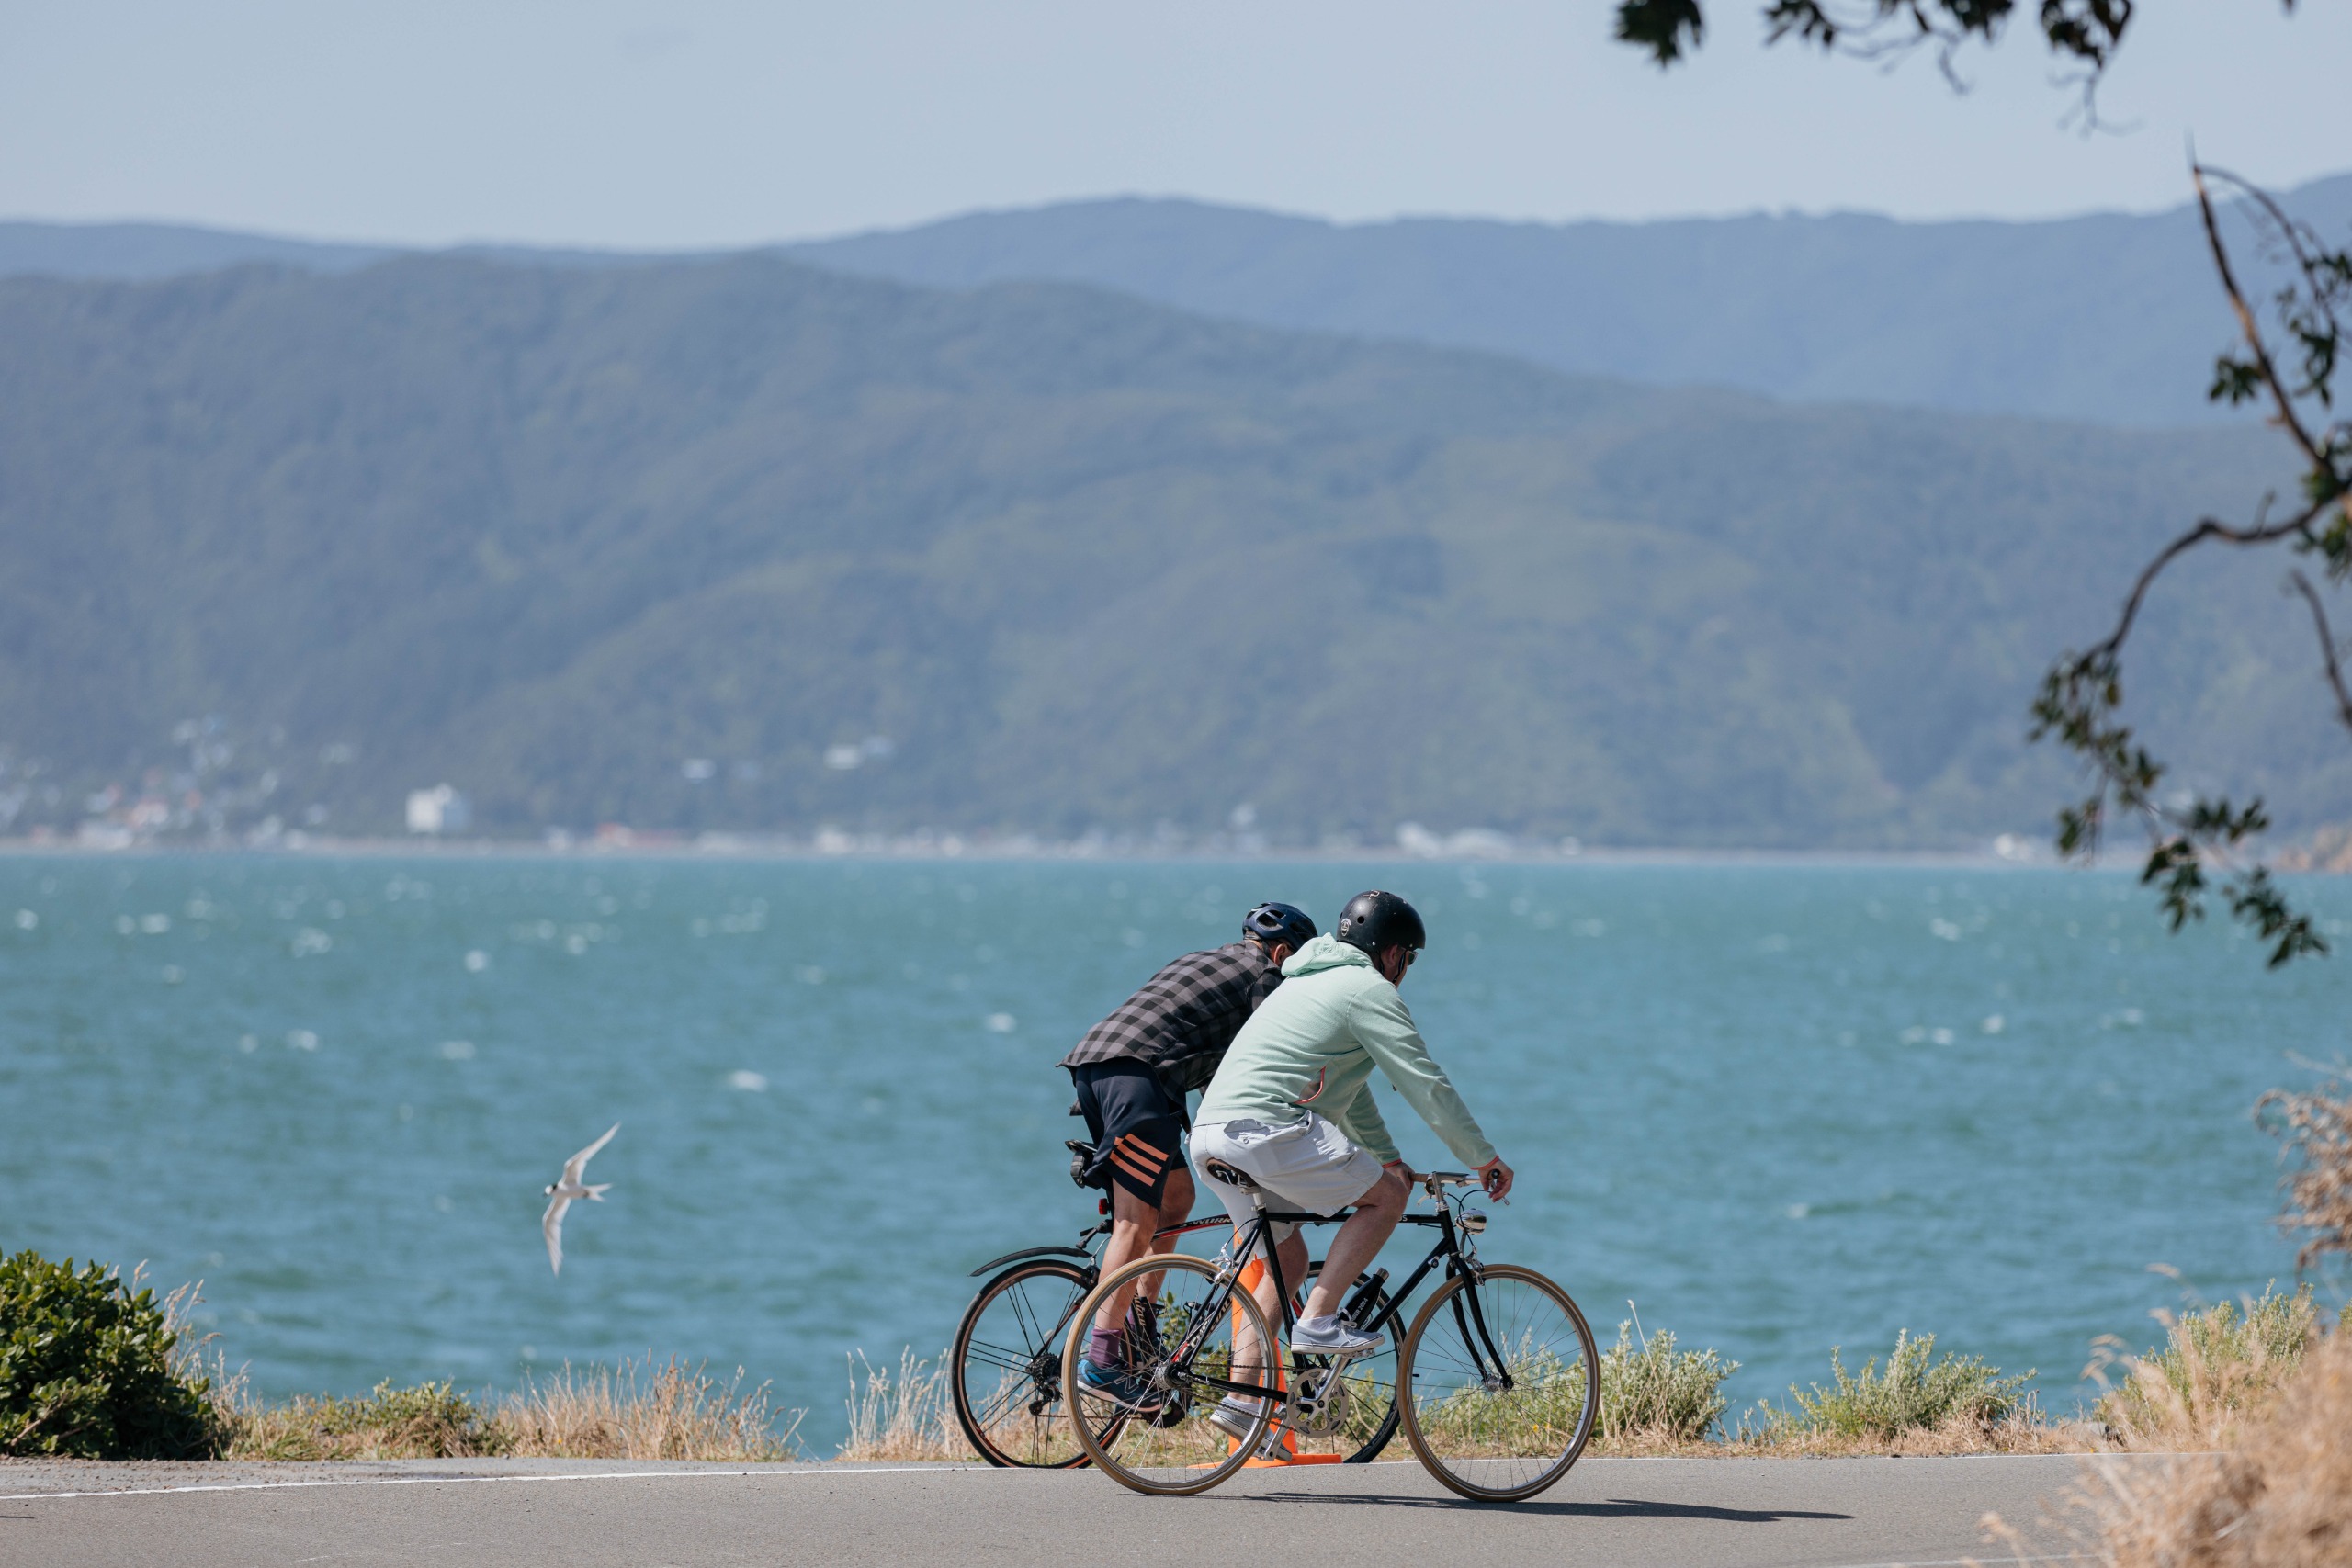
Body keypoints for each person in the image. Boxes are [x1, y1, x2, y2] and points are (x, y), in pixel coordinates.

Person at [1190, 889, 1511, 1442]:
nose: (1405, 970)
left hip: (1212, 1137)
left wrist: (1388, 1156)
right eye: (1407, 958)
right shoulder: (1367, 990)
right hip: (1265, 1131)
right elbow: (1424, 1083)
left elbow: (1352, 1096)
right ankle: (1317, 1323)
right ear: (1391, 954)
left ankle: (1242, 1400)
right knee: (1387, 1197)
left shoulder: (1306, 982)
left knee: (1285, 1261)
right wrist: (1481, 1157)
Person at [1059, 900, 1320, 1406]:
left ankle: (1137, 1330)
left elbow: (1218, 1077)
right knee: (1134, 1225)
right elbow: (1265, 1067)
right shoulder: (1265, 978)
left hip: (1096, 1068)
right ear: (1283, 951)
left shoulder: (1203, 960)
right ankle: (1103, 1359)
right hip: (1141, 1077)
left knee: (1175, 1199)